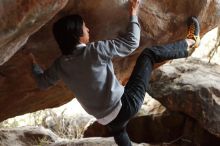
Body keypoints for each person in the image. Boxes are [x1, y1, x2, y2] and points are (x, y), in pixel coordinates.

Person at [30, 0, 200, 145]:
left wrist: (32, 64)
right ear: (77, 34)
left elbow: (42, 82)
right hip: (125, 106)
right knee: (148, 55)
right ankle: (190, 42)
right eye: (84, 27)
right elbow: (132, 42)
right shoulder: (93, 51)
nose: (88, 29)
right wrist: (133, 13)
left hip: (105, 120)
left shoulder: (60, 64)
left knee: (119, 129)